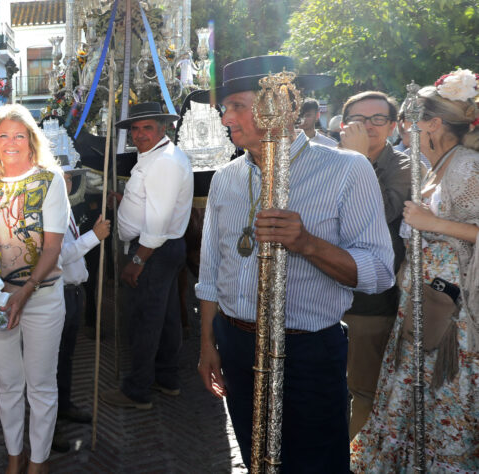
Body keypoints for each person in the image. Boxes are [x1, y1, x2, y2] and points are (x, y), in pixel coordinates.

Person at [192, 55, 394, 472]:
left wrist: (307, 244)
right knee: (255, 458)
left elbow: (378, 272)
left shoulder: (344, 169)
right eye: (224, 107)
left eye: (237, 105)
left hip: (308, 351)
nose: (226, 118)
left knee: (315, 462)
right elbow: (211, 270)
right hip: (235, 343)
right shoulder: (226, 178)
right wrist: (208, 344)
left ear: (280, 104)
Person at [351, 72, 479, 471]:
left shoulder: (467, 166)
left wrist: (434, 224)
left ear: (434, 123)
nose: (407, 128)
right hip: (422, 303)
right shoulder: (439, 165)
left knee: (444, 400)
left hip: (452, 313)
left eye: (412, 120)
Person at [0, 104, 70, 474]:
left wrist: (26, 290)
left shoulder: (50, 180)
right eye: (3, 135)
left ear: (31, 141)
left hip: (42, 297)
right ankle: (14, 456)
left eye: (19, 135)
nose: (11, 142)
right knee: (7, 384)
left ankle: (38, 462)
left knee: (41, 385)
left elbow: (52, 248)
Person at [101, 102, 194, 410]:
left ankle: (137, 390)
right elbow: (152, 202)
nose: (139, 134)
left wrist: (138, 260)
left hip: (154, 250)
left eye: (147, 128)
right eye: (135, 129)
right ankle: (166, 378)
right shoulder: (156, 156)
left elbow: (159, 220)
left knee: (145, 320)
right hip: (160, 248)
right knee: (165, 318)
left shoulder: (164, 161)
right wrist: (125, 199)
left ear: (163, 128)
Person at [335, 92, 410, 438]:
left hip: (370, 300)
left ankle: (356, 459)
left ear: (393, 126)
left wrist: (360, 159)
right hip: (324, 293)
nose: (368, 126)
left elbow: (382, 213)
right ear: (343, 125)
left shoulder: (405, 167)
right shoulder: (328, 162)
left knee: (362, 390)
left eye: (378, 119)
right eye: (358, 119)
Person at [51, 170, 110, 452]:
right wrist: (93, 237)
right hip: (56, 295)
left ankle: (63, 405)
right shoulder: (47, 212)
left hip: (73, 293)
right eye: (62, 177)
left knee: (66, 358)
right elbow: (57, 256)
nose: (69, 182)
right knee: (49, 365)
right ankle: (48, 425)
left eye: (70, 177)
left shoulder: (64, 206)